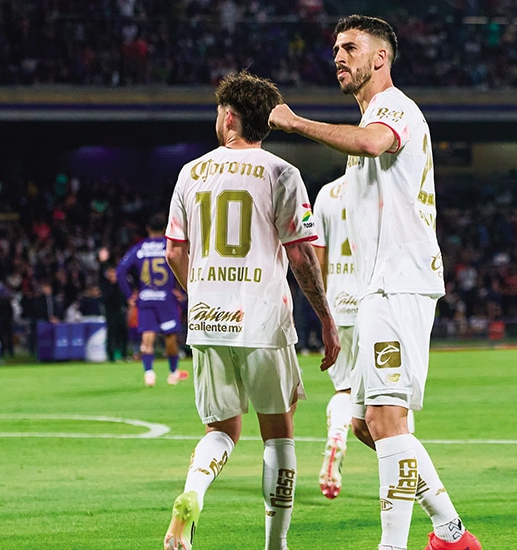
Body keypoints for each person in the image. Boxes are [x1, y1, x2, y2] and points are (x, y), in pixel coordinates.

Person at [269, 15, 482, 550]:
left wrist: (296, 125)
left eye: (350, 48)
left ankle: (394, 546)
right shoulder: (370, 119)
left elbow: (371, 143)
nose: (338, 57)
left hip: (398, 283)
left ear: (379, 58)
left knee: (387, 418)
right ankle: (451, 532)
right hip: (375, 290)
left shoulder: (395, 108)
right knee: (369, 424)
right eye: (336, 48)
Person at [161, 71, 339, 550]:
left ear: (229, 116)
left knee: (221, 431)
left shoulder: (189, 172)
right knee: (279, 438)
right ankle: (275, 545)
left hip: (206, 319)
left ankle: (192, 493)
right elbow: (301, 255)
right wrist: (324, 316)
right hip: (262, 319)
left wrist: (200, 292)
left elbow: (175, 252)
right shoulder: (282, 173)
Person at [310, 176, 360, 499]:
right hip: (378, 302)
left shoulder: (327, 193)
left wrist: (324, 310)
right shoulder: (383, 181)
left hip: (339, 304)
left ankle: (337, 435)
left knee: (345, 389)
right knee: (392, 400)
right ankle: (405, 479)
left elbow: (318, 258)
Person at [117, 213, 187, 387]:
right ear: (164, 230)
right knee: (170, 336)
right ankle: (173, 373)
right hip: (166, 298)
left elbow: (120, 271)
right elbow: (182, 262)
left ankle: (149, 373)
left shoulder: (139, 248)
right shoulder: (167, 246)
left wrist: (129, 295)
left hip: (146, 297)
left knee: (147, 337)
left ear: (148, 229)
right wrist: (181, 288)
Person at [99, 249, 130, 362]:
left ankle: (124, 354)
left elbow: (124, 296)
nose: (113, 275)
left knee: (123, 333)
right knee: (111, 334)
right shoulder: (105, 285)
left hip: (120, 311)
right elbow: (106, 297)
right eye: (110, 273)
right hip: (110, 312)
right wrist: (102, 262)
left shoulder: (120, 284)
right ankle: (111, 356)